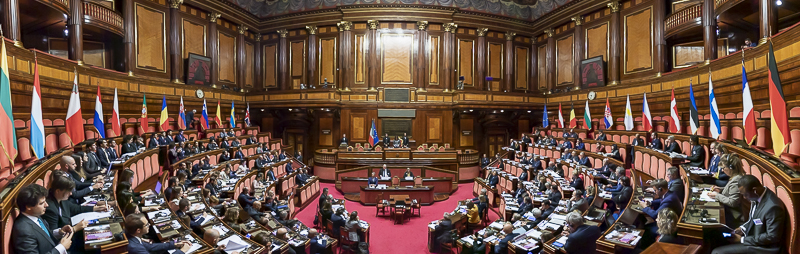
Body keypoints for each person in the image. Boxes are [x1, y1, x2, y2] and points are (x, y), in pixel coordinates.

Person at [711, 175, 785, 254]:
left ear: (754, 190)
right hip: (753, 237)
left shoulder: (773, 207)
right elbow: (754, 219)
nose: (744, 198)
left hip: (764, 248)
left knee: (717, 252)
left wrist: (742, 240)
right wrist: (743, 228)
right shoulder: (758, 196)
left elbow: (772, 237)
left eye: (745, 194)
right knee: (715, 237)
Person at [12, 184, 75, 254]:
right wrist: (61, 247)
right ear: (28, 207)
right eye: (42, 203)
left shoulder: (35, 215)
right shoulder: (23, 231)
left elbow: (43, 236)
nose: (47, 205)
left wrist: (59, 232)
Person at [639, 179, 682, 248]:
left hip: (669, 226)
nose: (655, 192)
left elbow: (656, 215)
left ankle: (647, 248)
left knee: (646, 229)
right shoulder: (670, 194)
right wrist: (651, 203)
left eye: (655, 190)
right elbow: (662, 200)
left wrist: (645, 207)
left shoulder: (669, 200)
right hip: (669, 220)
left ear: (661, 189)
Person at [708, 154, 746, 227]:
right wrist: (720, 189)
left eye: (724, 167)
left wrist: (717, 195)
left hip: (732, 215)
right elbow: (731, 190)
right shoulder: (735, 177)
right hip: (728, 211)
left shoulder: (736, 180)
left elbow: (733, 202)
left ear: (731, 168)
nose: (722, 170)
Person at [125, 213, 191, 254]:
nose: (149, 225)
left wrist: (174, 244)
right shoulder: (135, 248)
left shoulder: (132, 236)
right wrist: (182, 251)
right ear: (138, 230)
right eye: (146, 225)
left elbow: (150, 247)